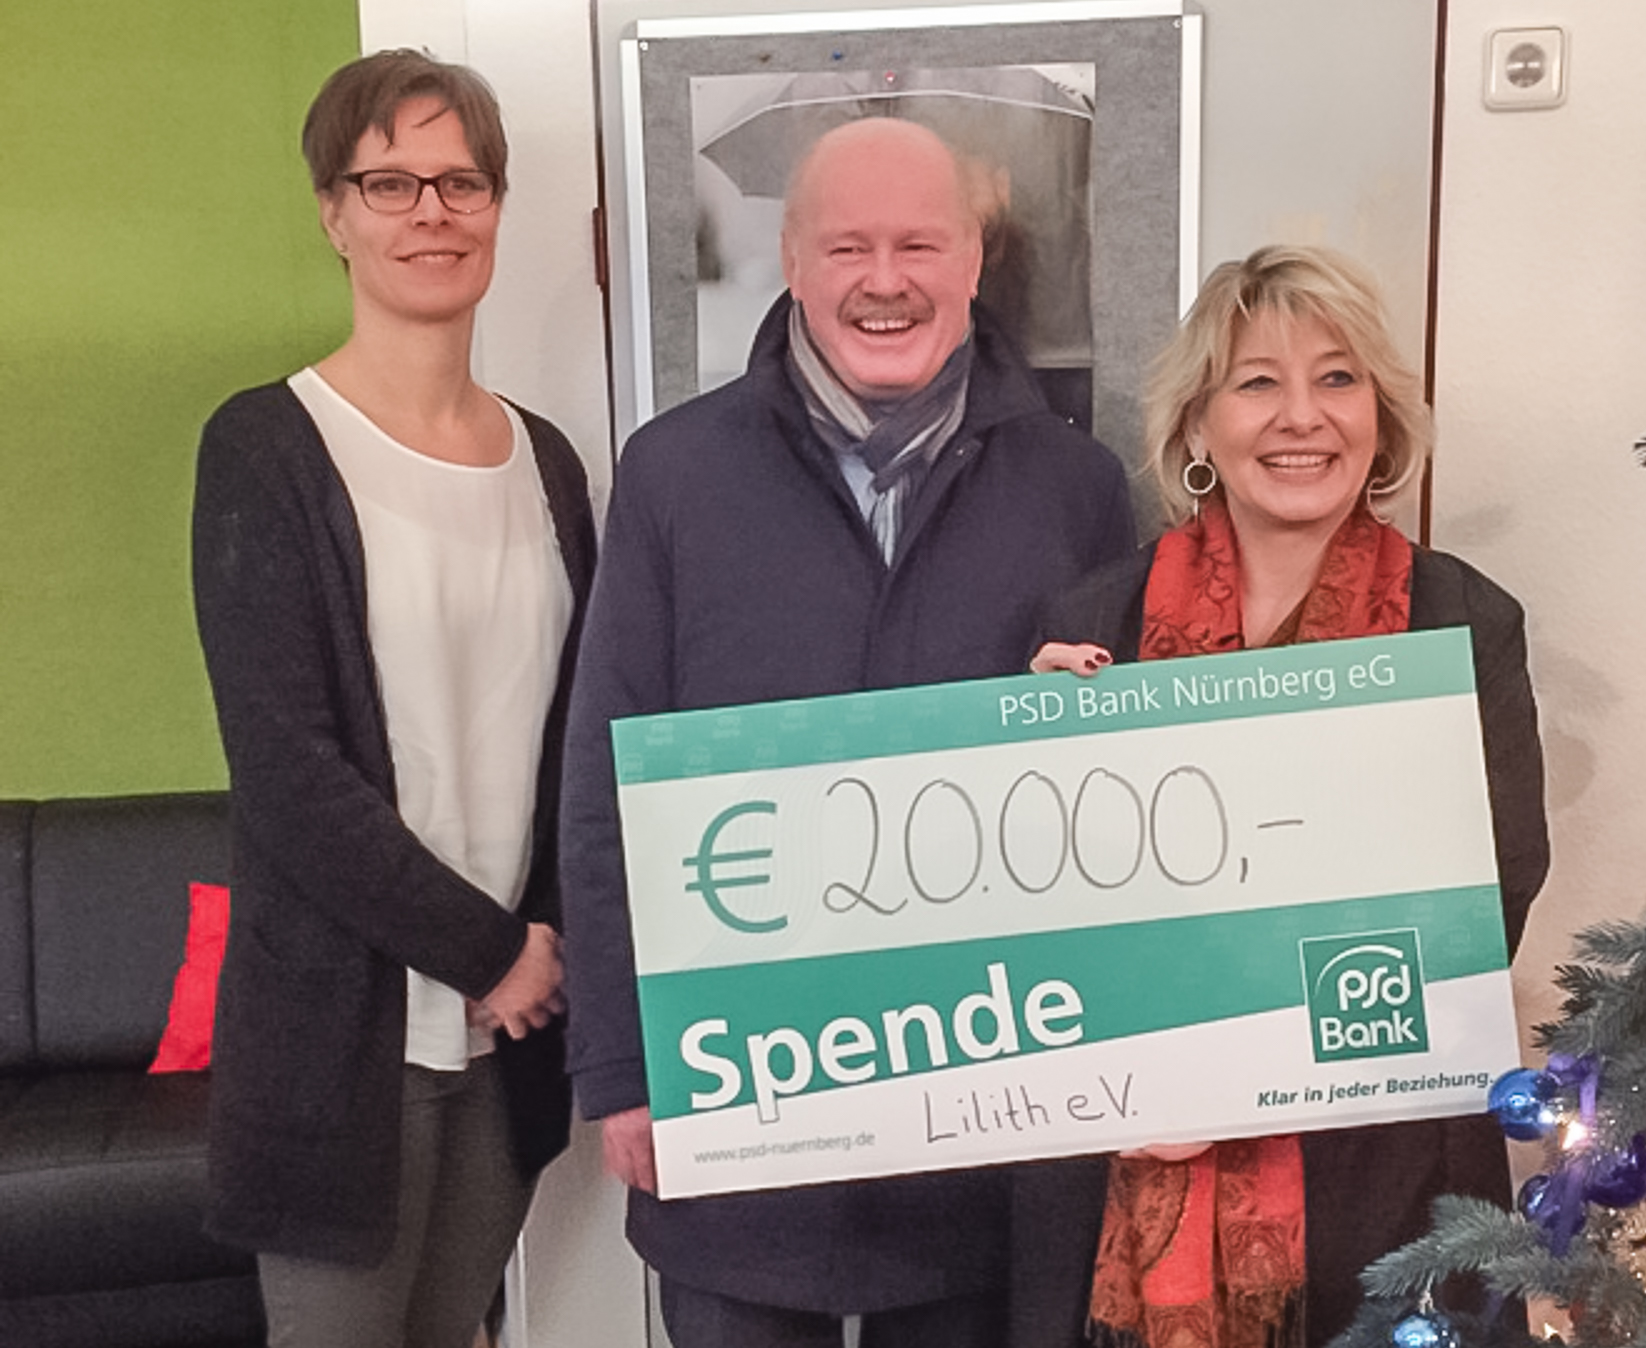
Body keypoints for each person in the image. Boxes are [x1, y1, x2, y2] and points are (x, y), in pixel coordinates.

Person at [560, 116, 1135, 1348]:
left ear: (973, 259)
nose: (885, 280)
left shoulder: (1077, 489)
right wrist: (622, 1069)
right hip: (734, 1117)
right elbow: (605, 782)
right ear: (792, 260)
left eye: (919, 244)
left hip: (981, 1127)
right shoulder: (671, 474)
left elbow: (1116, 798)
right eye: (847, 247)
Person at [1024, 243, 1550, 1348]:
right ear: (1199, 425)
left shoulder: (1461, 621)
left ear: (1380, 417)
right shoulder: (1094, 626)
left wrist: (1239, 1075)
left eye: (1338, 378)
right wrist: (1026, 756)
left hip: (1393, 1167)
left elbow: (1492, 893)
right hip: (1140, 1169)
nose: (1302, 416)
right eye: (1258, 382)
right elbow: (1046, 927)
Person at [190, 50, 594, 1348]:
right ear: (334, 212)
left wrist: (541, 948)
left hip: (510, 1034)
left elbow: (575, 740)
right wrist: (493, 951)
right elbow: (288, 773)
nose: (432, 212)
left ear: (497, 206)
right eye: (391, 182)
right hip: (343, 1042)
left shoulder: (548, 462)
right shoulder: (267, 447)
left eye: (461, 182)